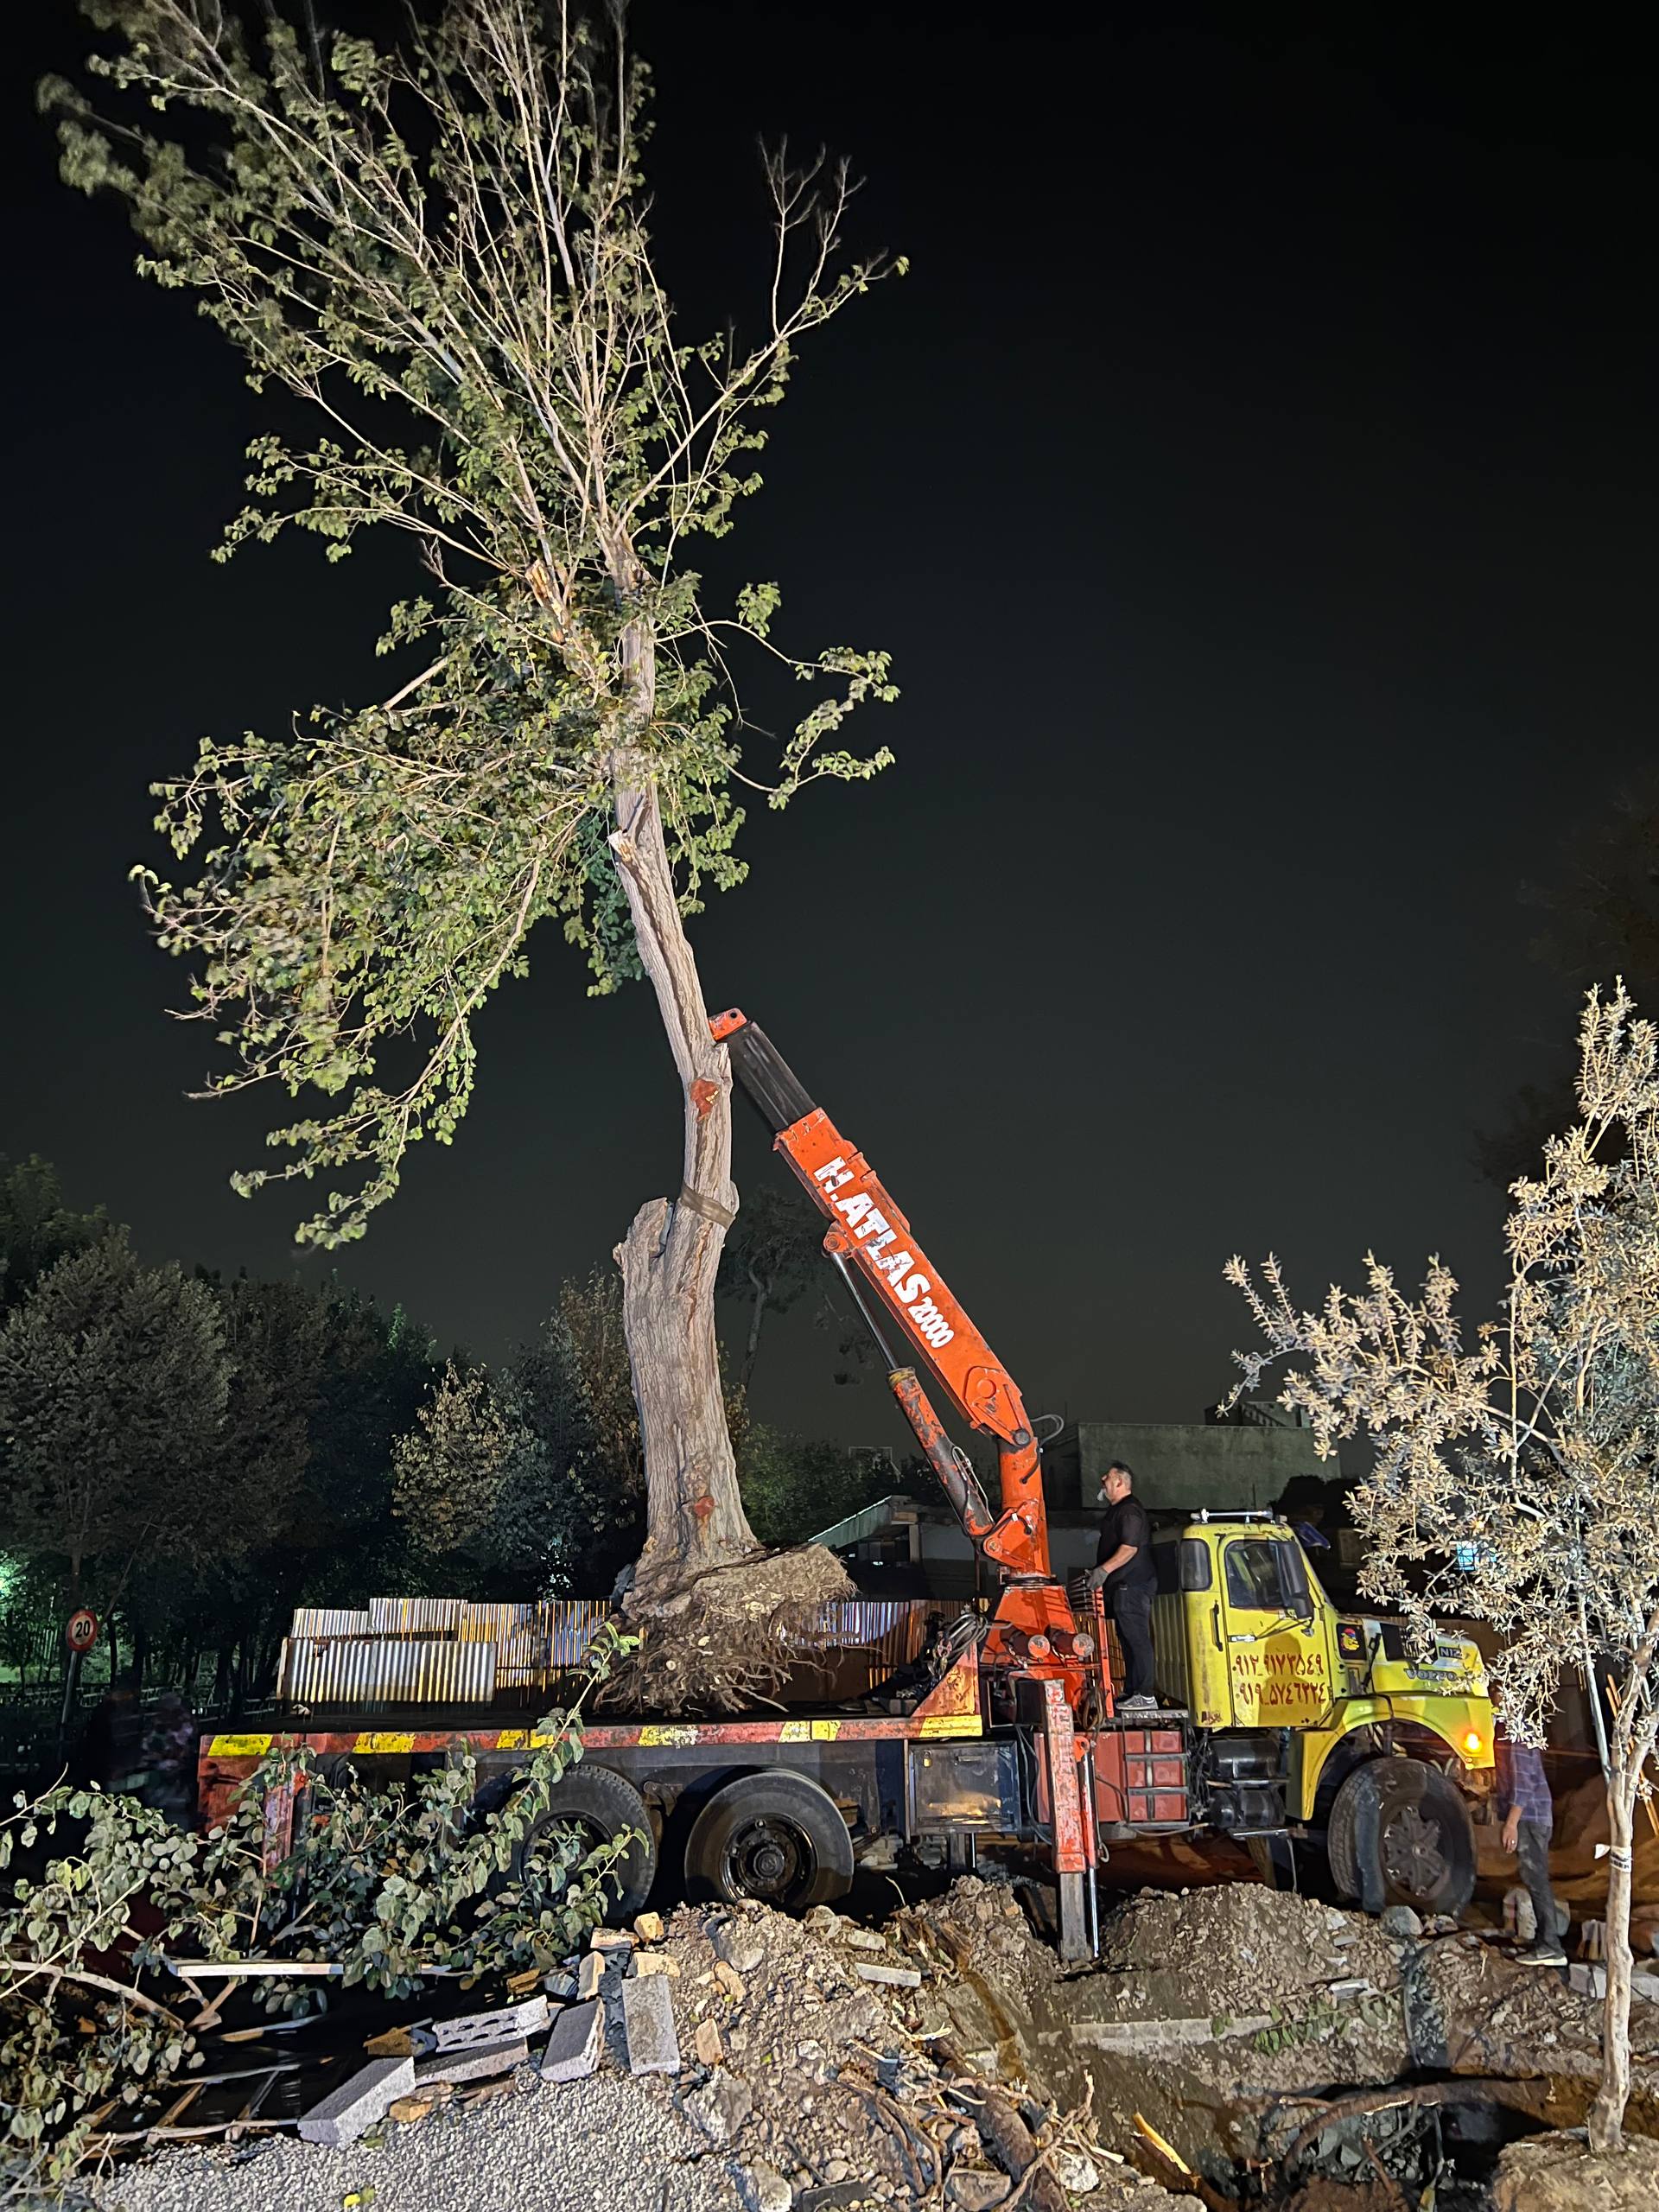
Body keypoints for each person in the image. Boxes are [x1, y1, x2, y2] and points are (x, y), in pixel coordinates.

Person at [1086, 1460, 1158, 1710]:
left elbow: (1129, 1548)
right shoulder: (1119, 1511)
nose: (1103, 1480)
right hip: (1123, 1587)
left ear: (1119, 1482)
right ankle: (1133, 1692)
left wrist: (1103, 1570)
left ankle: (1146, 1695)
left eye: (1107, 1476)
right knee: (1127, 1638)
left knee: (1136, 1638)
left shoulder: (1129, 1511)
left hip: (1133, 1585)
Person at [1495, 1722, 1567, 1966]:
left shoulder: (1517, 1733)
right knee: (1534, 1877)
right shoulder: (1515, 1730)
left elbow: (1524, 1784)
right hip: (1532, 1817)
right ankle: (1543, 1941)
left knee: (1536, 1878)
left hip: (1530, 1818)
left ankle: (1551, 1946)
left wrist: (1512, 1823)